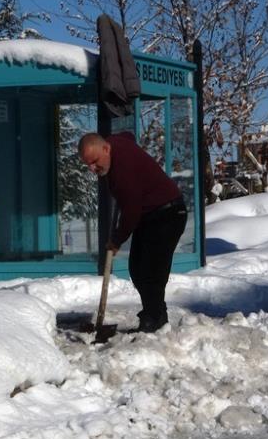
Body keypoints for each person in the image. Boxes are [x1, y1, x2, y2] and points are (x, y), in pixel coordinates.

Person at [79, 132, 188, 332]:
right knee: (137, 268)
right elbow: (127, 136)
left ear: (105, 149)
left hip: (168, 214)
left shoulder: (123, 170)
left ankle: (154, 320)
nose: (93, 169)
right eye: (88, 165)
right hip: (152, 215)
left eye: (94, 162)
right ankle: (154, 315)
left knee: (149, 270)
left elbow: (131, 213)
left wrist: (116, 240)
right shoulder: (114, 145)